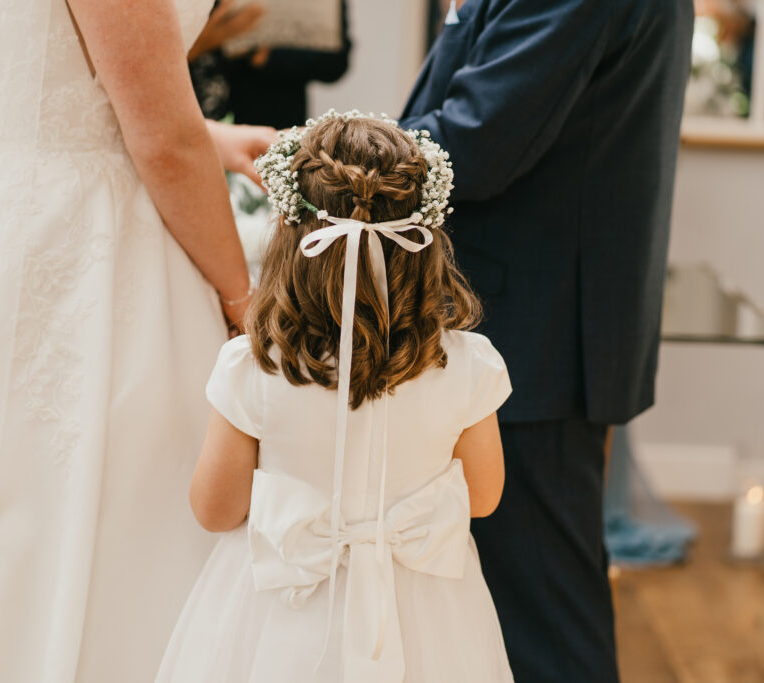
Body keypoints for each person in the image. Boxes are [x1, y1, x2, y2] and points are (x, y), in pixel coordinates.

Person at [0, 1, 276, 681]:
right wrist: (245, 303)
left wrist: (207, 137)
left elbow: (9, 62)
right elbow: (162, 141)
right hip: (73, 242)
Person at [155, 112, 514, 683]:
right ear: (424, 245)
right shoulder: (468, 366)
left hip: (281, 613)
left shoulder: (256, 366)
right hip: (424, 613)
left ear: (292, 241)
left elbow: (214, 508)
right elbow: (483, 497)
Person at [400, 1, 694, 681]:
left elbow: (475, 142)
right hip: (537, 319)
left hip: (531, 328)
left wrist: (318, 158)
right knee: (525, 608)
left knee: (546, 626)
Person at [187, 0, 352, 128]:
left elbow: (335, 61)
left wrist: (264, 55)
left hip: (271, 122)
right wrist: (211, 38)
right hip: (190, 116)